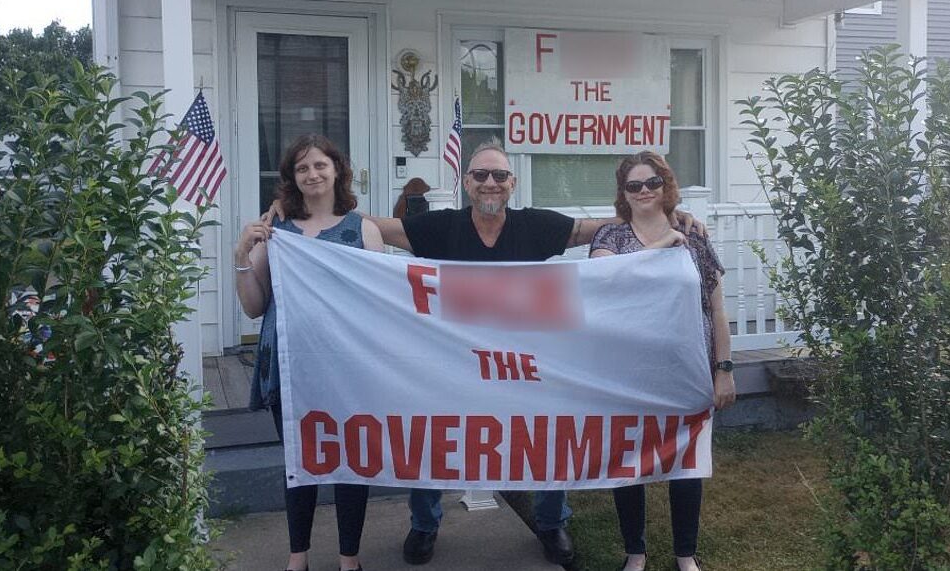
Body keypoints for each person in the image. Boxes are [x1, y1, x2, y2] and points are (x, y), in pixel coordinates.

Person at [266, 138, 705, 567]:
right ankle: (424, 524)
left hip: (525, 363)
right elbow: (374, 226)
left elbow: (589, 229)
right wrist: (301, 207)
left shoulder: (535, 224)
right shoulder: (441, 226)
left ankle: (552, 522)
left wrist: (660, 213)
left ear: (512, 183)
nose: (489, 182)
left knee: (550, 429)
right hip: (450, 363)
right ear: (467, 183)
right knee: (426, 429)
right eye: (480, 175)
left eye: (499, 175)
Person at [236, 134, 384, 571]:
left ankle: (348, 559)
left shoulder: (363, 230)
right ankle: (296, 557)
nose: (313, 174)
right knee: (299, 462)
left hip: (347, 366)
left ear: (337, 170)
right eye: (302, 168)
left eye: (320, 165)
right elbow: (253, 306)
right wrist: (241, 255)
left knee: (350, 462)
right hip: (289, 363)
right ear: (292, 179)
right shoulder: (276, 231)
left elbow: (378, 303)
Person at [588, 151, 736, 571]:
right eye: (634, 185)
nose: (644, 191)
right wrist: (659, 247)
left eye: (652, 182)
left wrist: (723, 369)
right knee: (628, 461)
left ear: (665, 184)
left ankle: (685, 553)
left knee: (686, 462)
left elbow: (717, 307)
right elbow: (605, 283)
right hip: (629, 371)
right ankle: (635, 551)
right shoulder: (611, 237)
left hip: (688, 367)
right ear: (623, 193)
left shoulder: (694, 234)